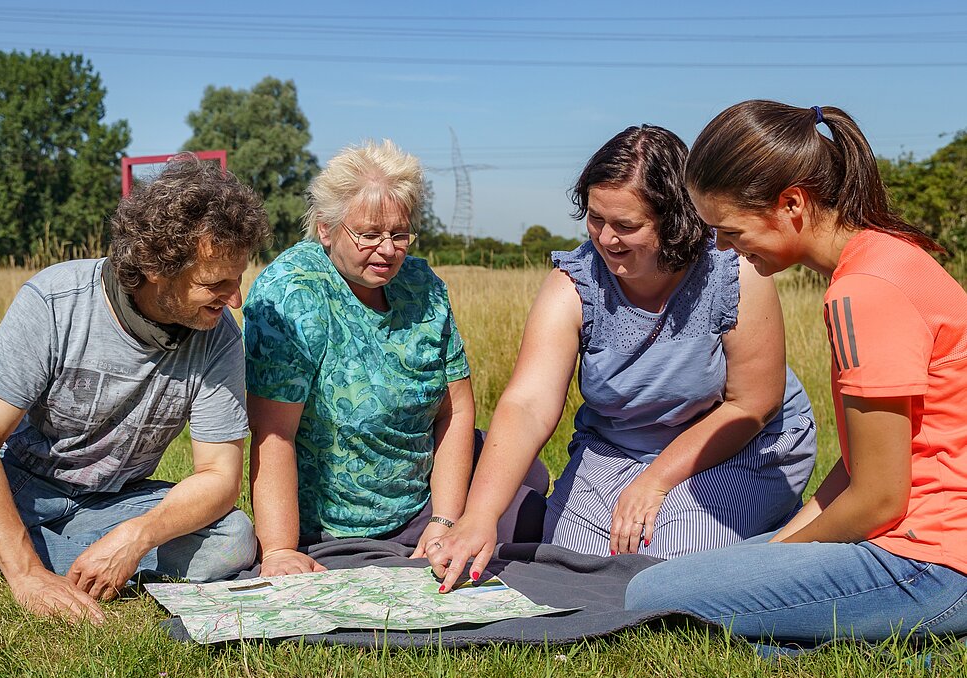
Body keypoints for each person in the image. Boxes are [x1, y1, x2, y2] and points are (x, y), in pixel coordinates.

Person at [625, 100, 967, 649]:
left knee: (653, 591)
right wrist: (777, 548)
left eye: (729, 228)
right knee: (723, 565)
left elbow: (880, 497)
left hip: (931, 561)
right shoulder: (886, 258)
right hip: (930, 545)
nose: (720, 247)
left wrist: (779, 560)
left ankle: (905, 639)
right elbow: (863, 466)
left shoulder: (865, 292)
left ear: (791, 204)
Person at [428, 125, 816, 592]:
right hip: (620, 447)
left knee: (664, 566)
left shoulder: (735, 270)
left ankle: (785, 529)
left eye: (627, 226)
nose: (606, 240)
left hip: (741, 443)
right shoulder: (571, 285)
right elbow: (527, 404)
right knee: (570, 563)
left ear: (675, 220)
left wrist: (654, 483)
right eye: (595, 220)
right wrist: (479, 516)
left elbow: (753, 404)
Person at [244, 139, 547, 579]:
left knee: (530, 499)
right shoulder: (293, 292)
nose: (387, 250)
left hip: (423, 498)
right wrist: (279, 550)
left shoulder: (423, 285)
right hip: (334, 522)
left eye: (399, 235)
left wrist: (446, 521)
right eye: (369, 235)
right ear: (326, 229)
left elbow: (456, 408)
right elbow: (274, 432)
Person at [0, 155, 270, 623]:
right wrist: (25, 575)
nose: (235, 300)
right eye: (215, 284)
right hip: (22, 489)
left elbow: (220, 477)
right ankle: (20, 553)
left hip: (112, 504)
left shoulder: (220, 337)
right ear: (155, 267)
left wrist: (135, 537)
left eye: (238, 279)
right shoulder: (55, 303)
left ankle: (48, 551)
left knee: (233, 539)